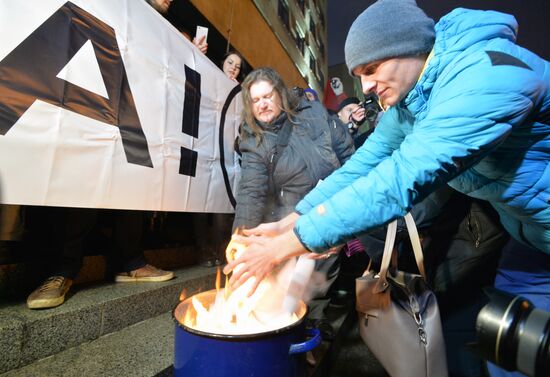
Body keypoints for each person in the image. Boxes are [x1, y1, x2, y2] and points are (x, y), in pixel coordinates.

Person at [224, 2, 550, 376]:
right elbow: (363, 166)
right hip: (527, 237)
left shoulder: (483, 77)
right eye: (358, 74)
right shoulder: (409, 102)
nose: (365, 86)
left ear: (409, 47)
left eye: (372, 69)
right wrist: (291, 221)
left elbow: (398, 179)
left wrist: (287, 245)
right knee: (510, 351)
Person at [233, 67, 354, 338]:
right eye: (256, 100)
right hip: (290, 216)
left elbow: (347, 153)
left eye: (267, 96)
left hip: (330, 208)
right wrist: (241, 240)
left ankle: (315, 329)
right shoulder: (254, 138)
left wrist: (350, 202)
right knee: (294, 281)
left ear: (280, 94)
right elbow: (251, 192)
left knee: (321, 274)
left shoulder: (314, 112)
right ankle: (293, 331)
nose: (263, 104)